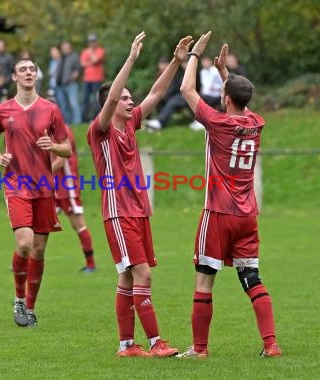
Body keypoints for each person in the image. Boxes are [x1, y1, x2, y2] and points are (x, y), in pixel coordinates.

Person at [176, 31, 281, 359]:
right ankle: (271, 344)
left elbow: (186, 89)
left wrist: (193, 55)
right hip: (247, 214)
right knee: (251, 277)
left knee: (204, 280)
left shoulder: (217, 123)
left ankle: (200, 349)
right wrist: (225, 73)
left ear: (224, 98)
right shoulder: (256, 123)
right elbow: (240, 97)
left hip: (218, 212)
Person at [87, 32, 192, 357]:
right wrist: (131, 58)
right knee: (142, 272)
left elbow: (158, 92)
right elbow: (112, 96)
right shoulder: (100, 129)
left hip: (137, 210)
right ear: (111, 103)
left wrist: (177, 62)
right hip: (118, 212)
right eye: (125, 98)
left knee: (128, 276)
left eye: (131, 98)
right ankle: (155, 342)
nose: (131, 101)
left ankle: (126, 346)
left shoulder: (130, 123)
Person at [0, 58, 71, 327]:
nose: (29, 73)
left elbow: (67, 148)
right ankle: (19, 299)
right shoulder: (2, 110)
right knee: (24, 243)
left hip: (44, 186)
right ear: (14, 77)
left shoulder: (50, 109)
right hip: (16, 184)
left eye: (33, 69)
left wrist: (54, 147)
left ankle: (30, 307)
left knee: (40, 250)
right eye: (23, 69)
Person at [52, 124, 96, 272]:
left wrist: (39, 173)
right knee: (37, 224)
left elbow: (61, 160)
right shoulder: (46, 130)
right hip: (52, 186)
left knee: (78, 224)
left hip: (67, 187)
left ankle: (91, 264)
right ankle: (23, 261)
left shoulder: (62, 131)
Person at [144, 56, 189, 131]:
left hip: (176, 96)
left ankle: (159, 122)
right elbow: (155, 88)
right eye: (162, 64)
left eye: (165, 64)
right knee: (152, 99)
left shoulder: (174, 73)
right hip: (163, 96)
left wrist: (163, 96)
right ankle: (146, 119)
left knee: (171, 102)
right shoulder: (158, 75)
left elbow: (175, 88)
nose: (163, 66)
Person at [80, 33, 106, 122]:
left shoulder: (100, 51)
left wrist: (91, 54)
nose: (92, 43)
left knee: (96, 100)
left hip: (97, 79)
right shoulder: (84, 51)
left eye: (93, 41)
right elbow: (82, 64)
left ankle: (97, 119)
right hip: (87, 79)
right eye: (90, 42)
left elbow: (95, 60)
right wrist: (92, 62)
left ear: (96, 42)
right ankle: (83, 120)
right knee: (85, 100)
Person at [55, 41, 81, 125]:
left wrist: (73, 77)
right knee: (63, 105)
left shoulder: (74, 57)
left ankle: (77, 123)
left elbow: (78, 70)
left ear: (70, 48)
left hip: (70, 84)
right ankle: (67, 123)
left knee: (73, 104)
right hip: (60, 85)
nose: (65, 49)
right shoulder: (61, 58)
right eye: (63, 48)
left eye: (67, 47)